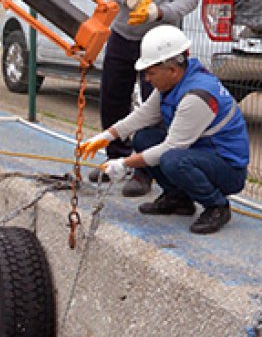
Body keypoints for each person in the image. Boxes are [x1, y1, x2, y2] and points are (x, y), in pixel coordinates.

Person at [77, 25, 249, 235]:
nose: (147, 79)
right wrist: (107, 136)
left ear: (172, 70)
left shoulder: (197, 96)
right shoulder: (173, 83)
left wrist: (123, 163)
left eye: (151, 72)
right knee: (144, 138)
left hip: (227, 169)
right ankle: (178, 199)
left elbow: (171, 147)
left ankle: (217, 206)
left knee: (172, 159)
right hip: (202, 155)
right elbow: (143, 116)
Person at [90, 0, 198, 197]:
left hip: (160, 40)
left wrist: (159, 12)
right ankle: (115, 160)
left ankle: (144, 171)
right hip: (122, 34)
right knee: (112, 100)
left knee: (155, 109)